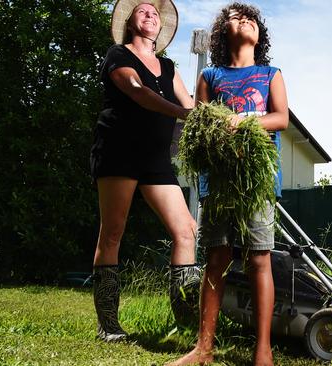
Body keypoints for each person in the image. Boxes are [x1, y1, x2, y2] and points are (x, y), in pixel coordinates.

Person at [169, 2, 288, 365]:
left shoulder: (271, 73)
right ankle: (203, 348)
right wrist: (220, 131)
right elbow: (202, 126)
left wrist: (243, 124)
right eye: (237, 17)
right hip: (218, 182)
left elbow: (280, 117)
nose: (245, 20)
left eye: (251, 18)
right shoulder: (212, 76)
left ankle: (262, 351)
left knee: (258, 259)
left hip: (257, 183)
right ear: (223, 33)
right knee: (216, 258)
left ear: (259, 34)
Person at [90, 0, 200, 342]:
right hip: (118, 152)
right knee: (112, 232)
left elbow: (192, 107)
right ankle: (108, 326)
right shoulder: (117, 55)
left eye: (155, 12)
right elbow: (137, 92)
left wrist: (221, 118)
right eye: (142, 11)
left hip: (156, 160)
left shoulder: (168, 67)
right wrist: (181, 115)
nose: (150, 14)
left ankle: (186, 324)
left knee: (186, 231)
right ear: (130, 23)